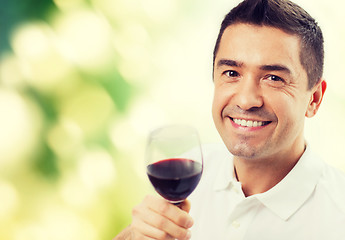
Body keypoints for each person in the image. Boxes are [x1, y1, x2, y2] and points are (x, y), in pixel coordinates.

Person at [114, 0, 345, 239]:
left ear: (314, 99)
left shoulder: (338, 217)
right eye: (232, 73)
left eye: (274, 78)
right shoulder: (193, 171)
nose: (246, 101)